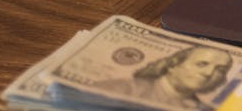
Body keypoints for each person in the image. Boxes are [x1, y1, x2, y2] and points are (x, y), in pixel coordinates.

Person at [91, 45, 232, 110]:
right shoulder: (120, 89)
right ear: (173, 65)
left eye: (220, 70)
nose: (208, 73)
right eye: (202, 64)